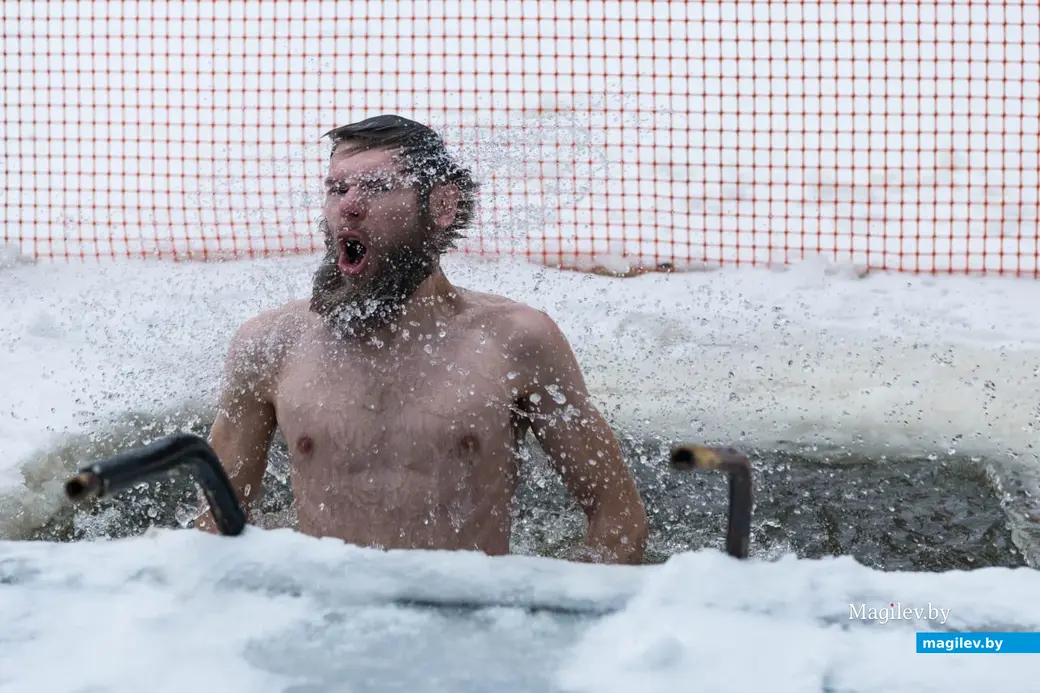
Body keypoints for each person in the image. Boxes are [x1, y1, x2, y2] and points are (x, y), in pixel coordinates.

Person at [196, 114, 649, 564]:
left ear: (442, 205)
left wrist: (541, 603)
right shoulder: (271, 344)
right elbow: (215, 527)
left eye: (376, 187)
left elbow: (619, 519)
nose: (349, 207)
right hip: (329, 605)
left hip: (467, 606)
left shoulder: (516, 341)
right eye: (337, 189)